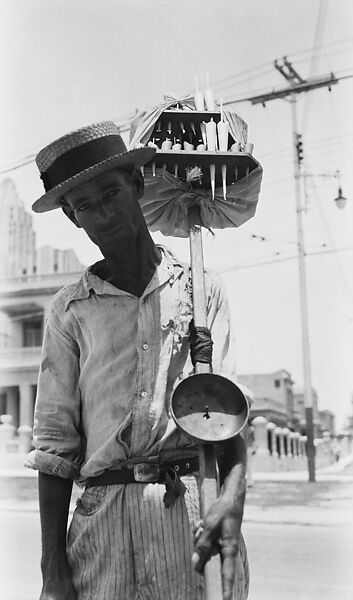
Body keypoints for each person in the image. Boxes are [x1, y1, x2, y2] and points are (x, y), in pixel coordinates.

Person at [26, 121, 251, 600]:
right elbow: (55, 446)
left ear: (138, 184)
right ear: (72, 218)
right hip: (101, 530)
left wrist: (231, 503)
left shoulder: (200, 287)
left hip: (191, 516)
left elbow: (228, 418)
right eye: (84, 206)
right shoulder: (70, 310)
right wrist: (53, 570)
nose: (103, 214)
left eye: (111, 193)